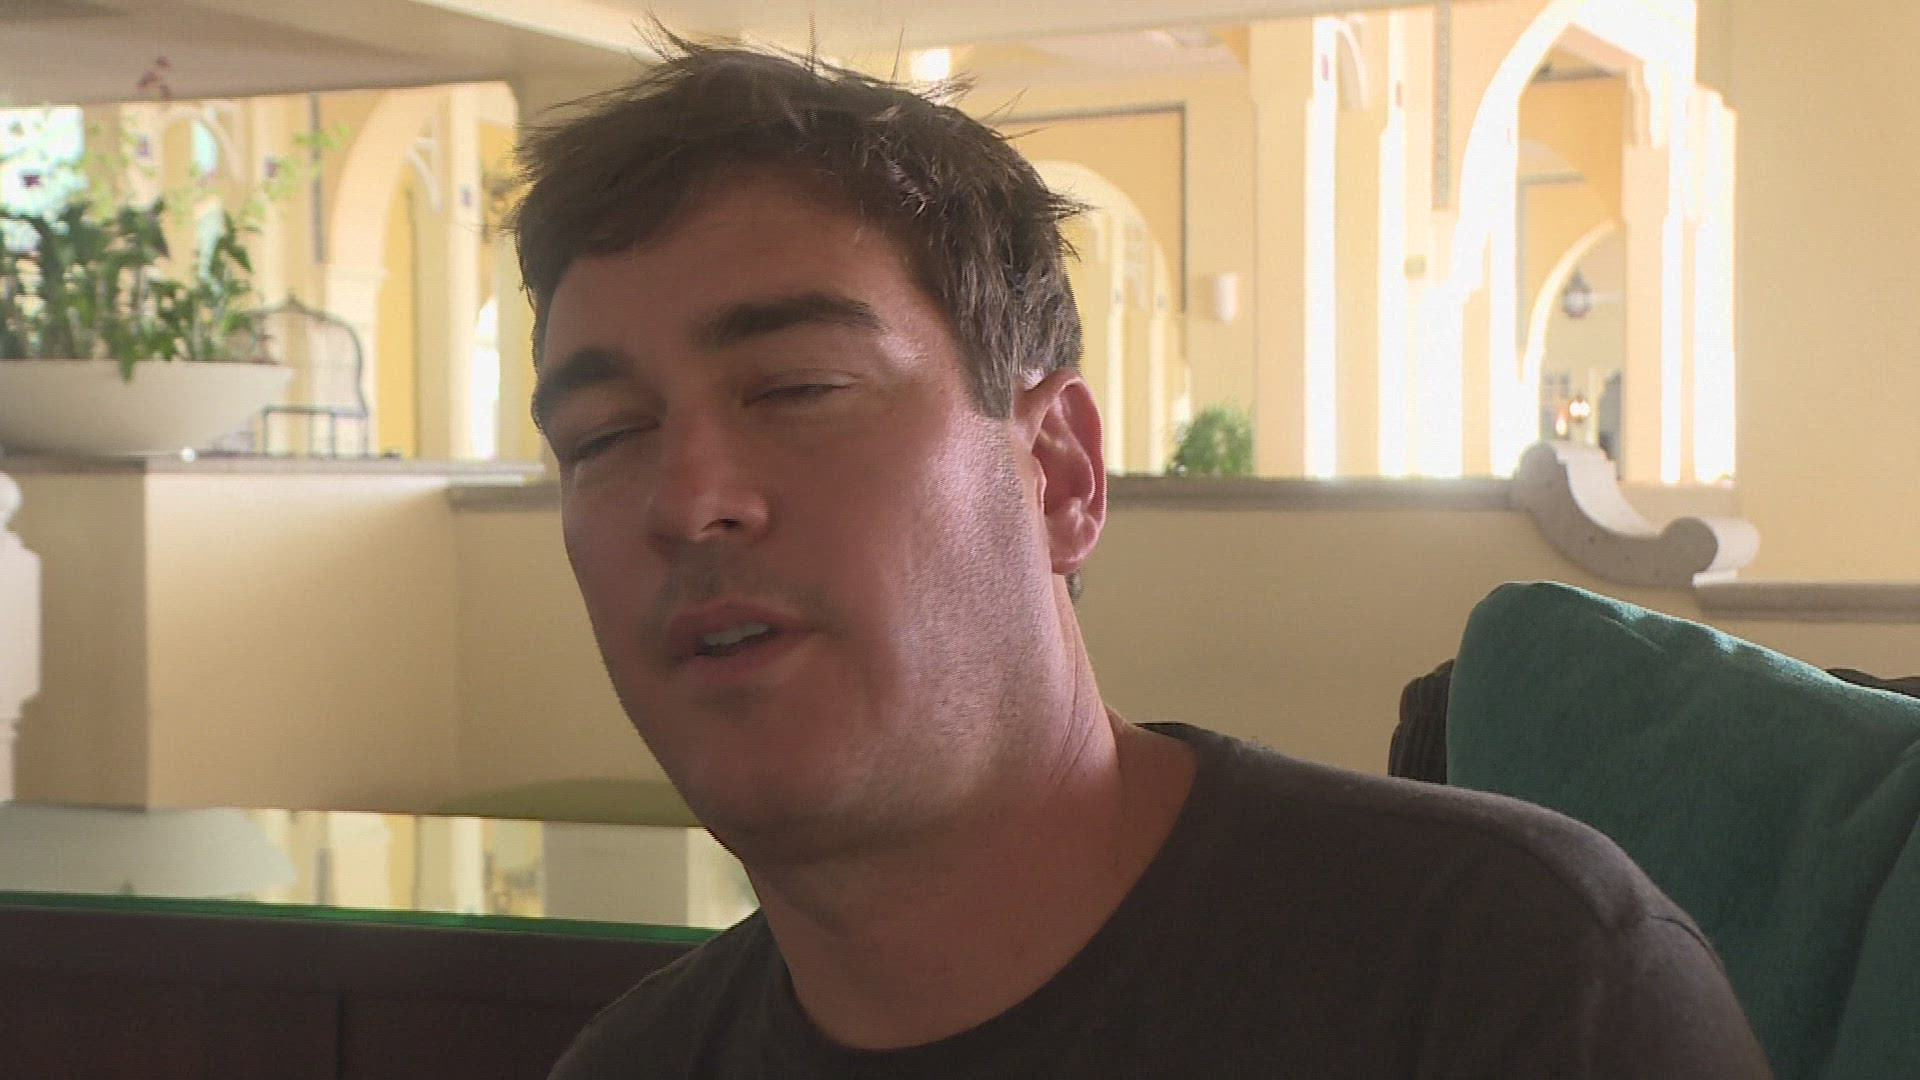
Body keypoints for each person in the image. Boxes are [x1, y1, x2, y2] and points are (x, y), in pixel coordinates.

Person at [512, 38, 1772, 1079]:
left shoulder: (1512, 982)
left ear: (1059, 474)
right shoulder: (633, 1062)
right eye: (605, 435)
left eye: (795, 388)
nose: (689, 501)